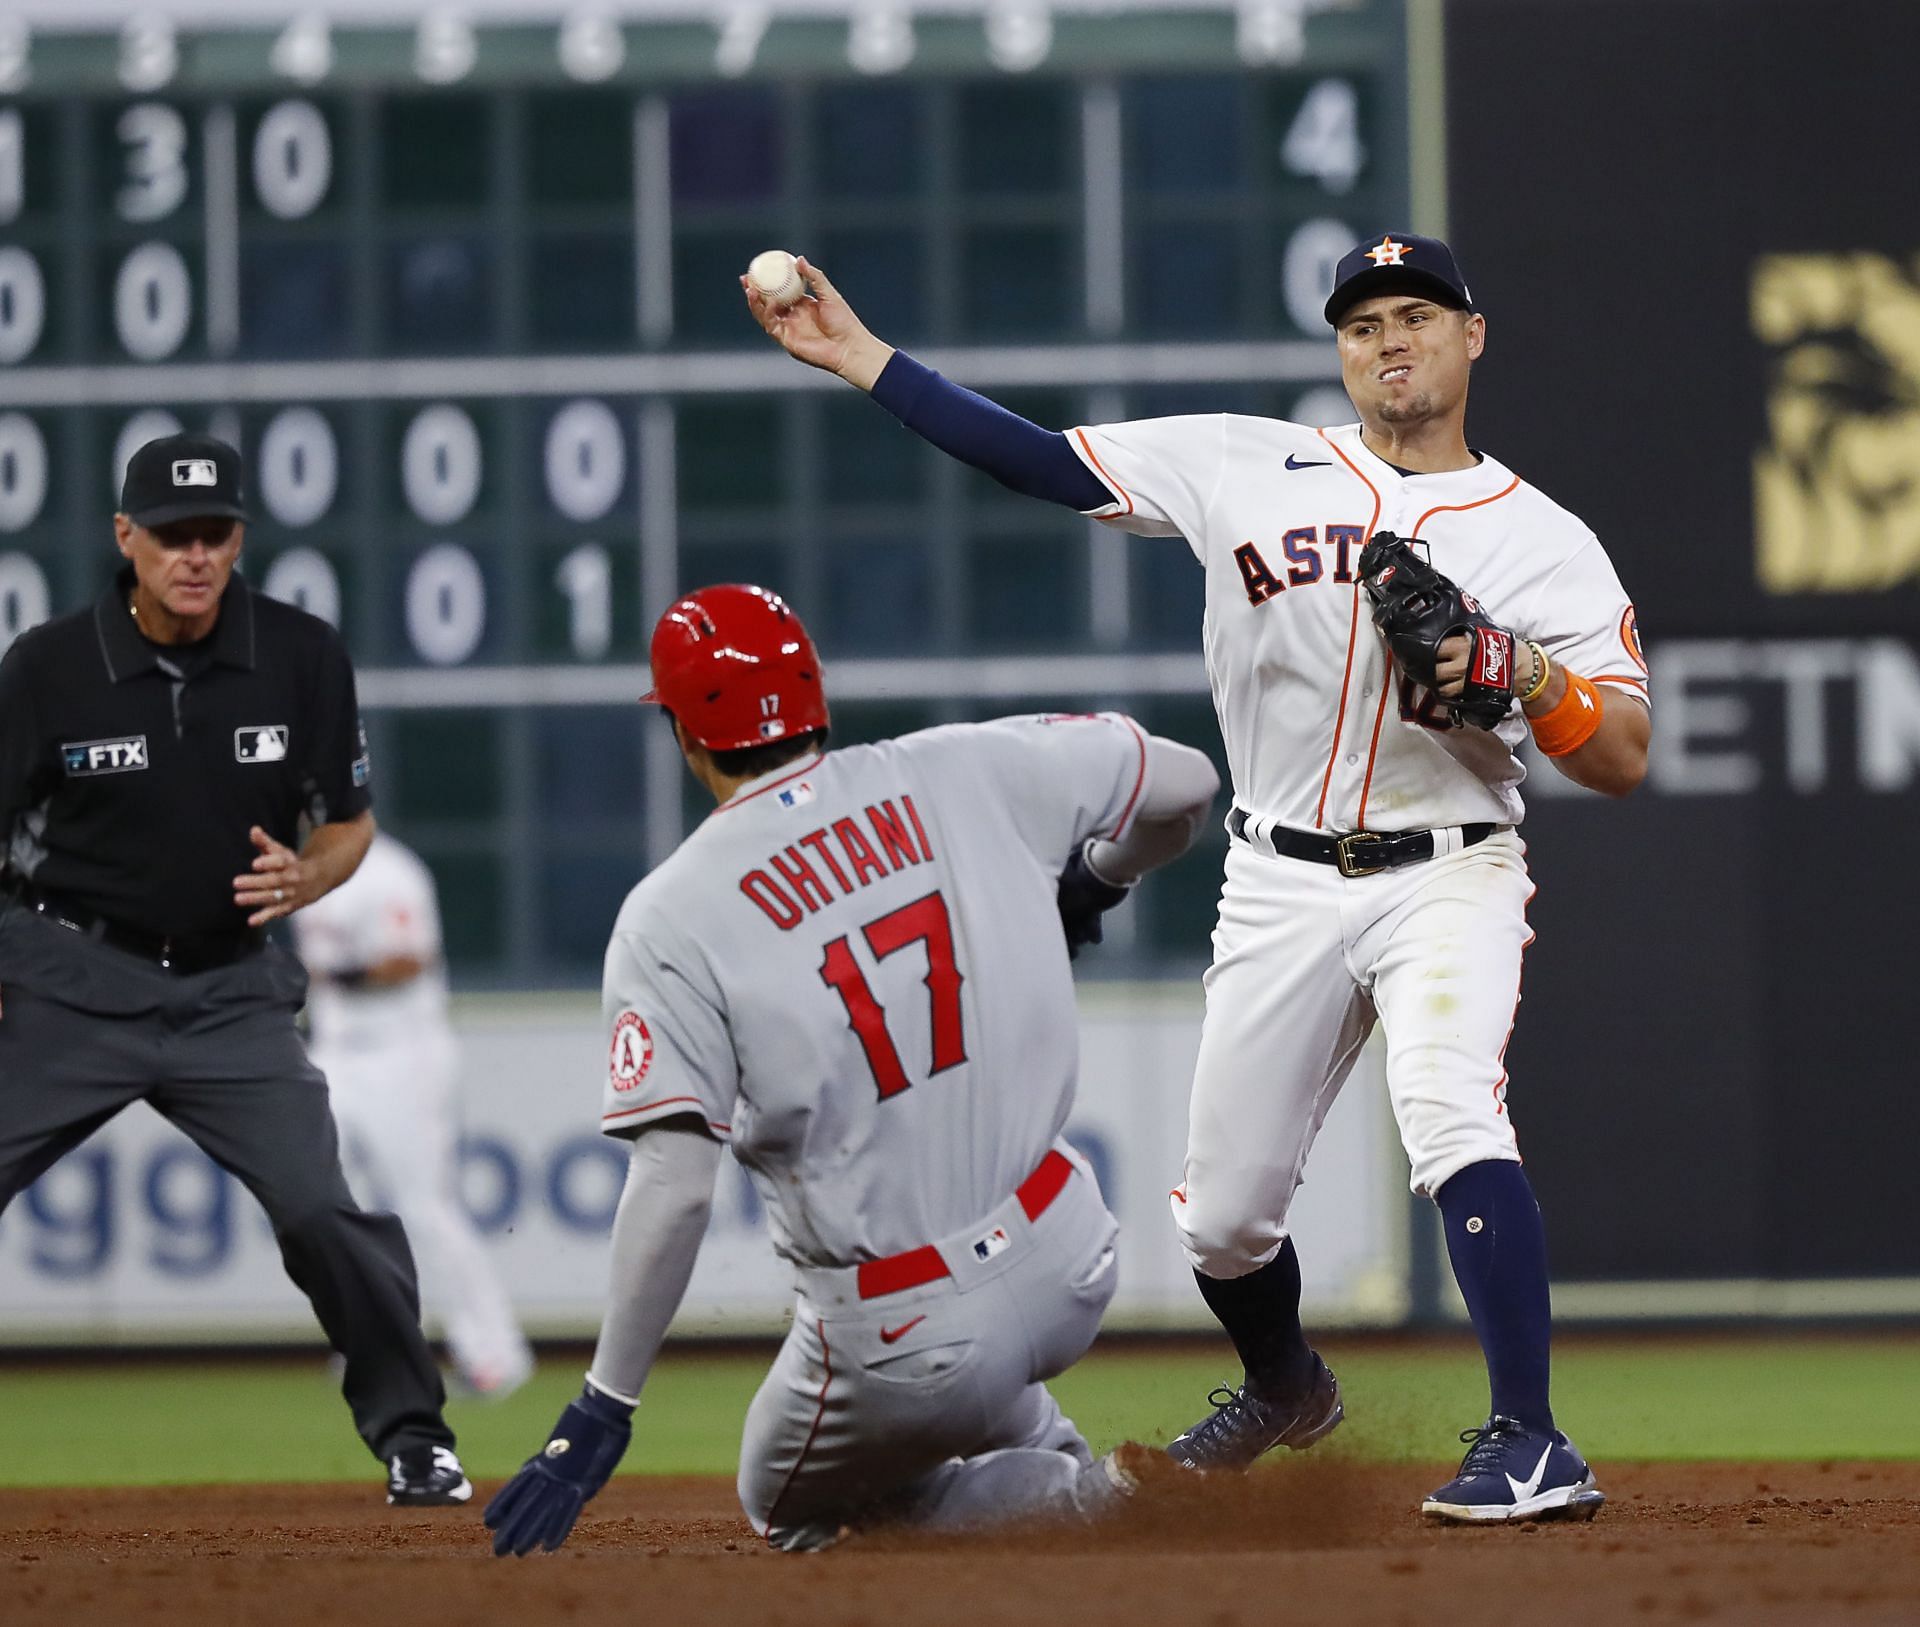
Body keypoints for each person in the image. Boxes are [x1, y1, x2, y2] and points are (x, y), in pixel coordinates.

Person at [743, 233, 1651, 1523]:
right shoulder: (1247, 461)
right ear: (1339, 351)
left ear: (1472, 335)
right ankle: (1285, 1384)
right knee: (1222, 1222)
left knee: (1452, 1111)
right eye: (1362, 323)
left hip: (1448, 869)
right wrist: (865, 359)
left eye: (1417, 314)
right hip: (1279, 876)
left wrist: (1525, 676)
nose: (1390, 340)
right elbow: (1044, 462)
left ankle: (1532, 1437)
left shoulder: (1544, 540)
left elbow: (1619, 752)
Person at [485, 583, 1220, 1556]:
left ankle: (1093, 1500)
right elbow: (1187, 784)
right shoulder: (966, 764)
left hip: (907, 1334)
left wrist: (603, 1405)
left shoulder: (673, 914)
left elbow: (672, 1190)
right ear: (814, 694)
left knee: (786, 1505)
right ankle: (1060, 1464)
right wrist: (1098, 876)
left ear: (683, 736)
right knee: (966, 1375)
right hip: (1072, 1252)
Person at [0, 433, 470, 1507]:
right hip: (68, 972)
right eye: (171, 535)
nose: (194, 555)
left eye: (214, 534)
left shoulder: (299, 654)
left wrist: (310, 876)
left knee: (318, 1208)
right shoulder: (48, 667)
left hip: (226, 993)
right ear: (127, 538)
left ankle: (415, 1436)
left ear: (240, 538)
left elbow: (350, 825)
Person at [293, 829, 535, 1400]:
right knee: (336, 1207)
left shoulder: (389, 869)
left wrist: (338, 975)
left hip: (402, 1056)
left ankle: (495, 1351)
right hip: (333, 1053)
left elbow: (409, 960)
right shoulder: (307, 869)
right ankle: (375, 1347)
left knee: (427, 1209)